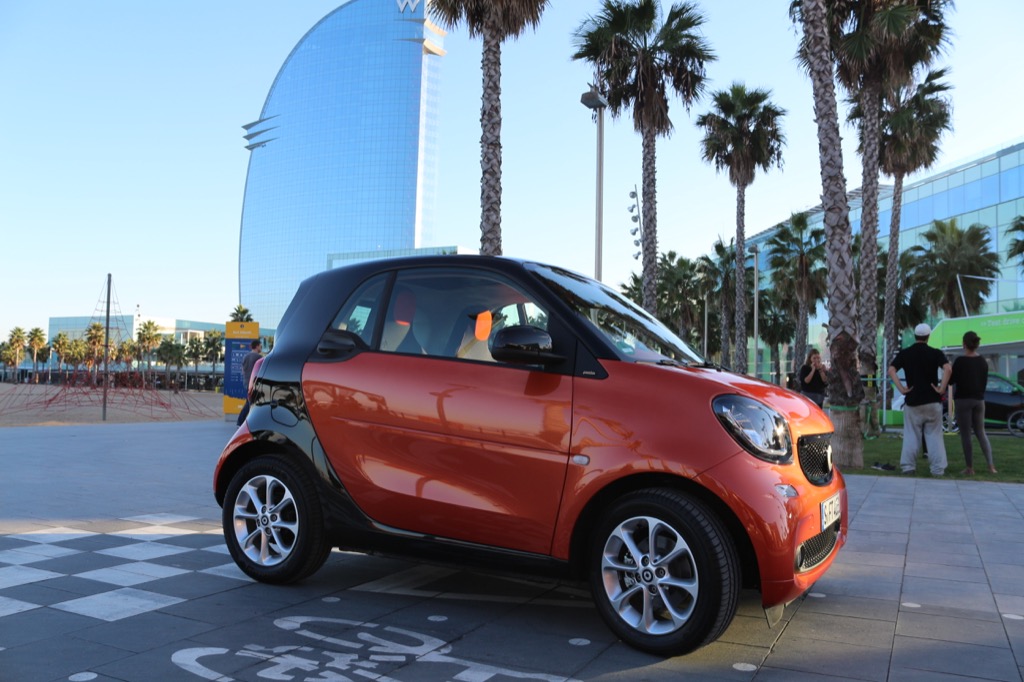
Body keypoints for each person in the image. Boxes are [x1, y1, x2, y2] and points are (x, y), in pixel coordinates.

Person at [887, 323, 951, 476]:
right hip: (932, 401)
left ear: (915, 336)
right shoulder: (935, 353)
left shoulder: (905, 353)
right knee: (934, 436)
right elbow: (948, 368)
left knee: (911, 435)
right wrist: (941, 388)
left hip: (913, 401)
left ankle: (908, 467)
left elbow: (891, 370)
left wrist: (902, 389)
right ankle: (937, 469)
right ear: (928, 337)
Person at [950, 331, 996, 475]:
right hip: (979, 400)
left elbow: (951, 381)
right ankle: (991, 466)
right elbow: (984, 382)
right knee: (981, 432)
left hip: (963, 400)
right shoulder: (983, 361)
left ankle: (970, 468)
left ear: (964, 344)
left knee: (966, 435)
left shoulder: (960, 361)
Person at [236, 339, 263, 426]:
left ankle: (243, 422)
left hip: (246, 382)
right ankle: (240, 421)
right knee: (251, 403)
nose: (261, 347)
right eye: (260, 346)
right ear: (257, 346)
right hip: (254, 383)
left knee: (250, 402)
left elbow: (243, 370)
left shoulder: (246, 356)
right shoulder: (259, 357)